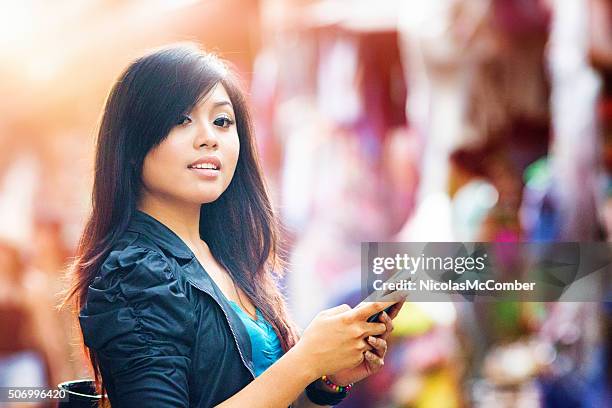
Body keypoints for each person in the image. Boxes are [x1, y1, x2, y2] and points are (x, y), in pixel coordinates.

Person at [64, 43, 404, 407]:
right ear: (133, 145)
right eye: (181, 119)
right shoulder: (135, 272)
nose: (209, 137)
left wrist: (326, 376)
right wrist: (305, 360)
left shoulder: (227, 256)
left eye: (222, 121)